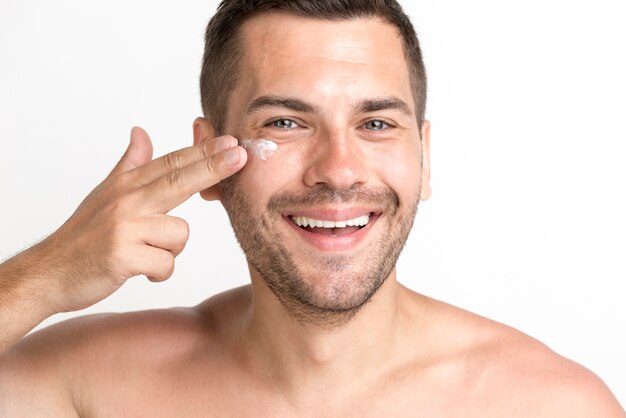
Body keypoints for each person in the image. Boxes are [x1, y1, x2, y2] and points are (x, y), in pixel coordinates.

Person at [0, 0, 623, 415]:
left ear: (424, 157)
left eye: (376, 122)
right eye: (287, 122)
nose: (339, 171)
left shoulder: (549, 407)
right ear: (208, 158)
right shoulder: (90, 391)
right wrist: (46, 276)